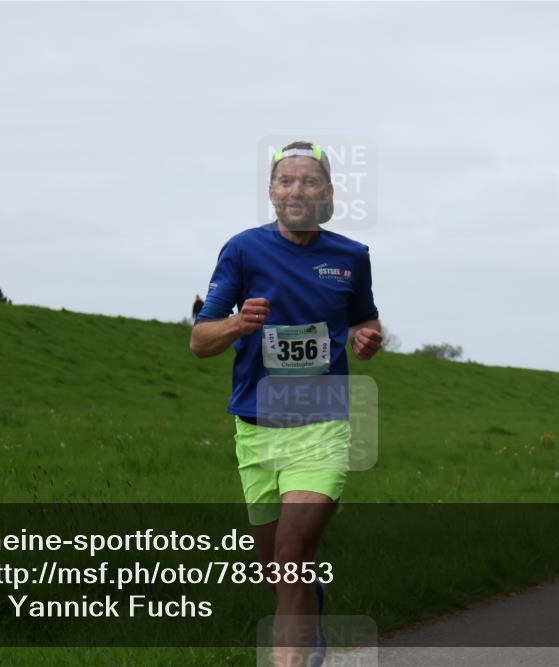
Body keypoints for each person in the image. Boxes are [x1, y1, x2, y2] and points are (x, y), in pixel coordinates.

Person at [190, 141, 383, 666]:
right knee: (277, 569)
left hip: (322, 425)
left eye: (309, 181)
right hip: (256, 426)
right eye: (285, 181)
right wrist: (237, 322)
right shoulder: (242, 250)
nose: (297, 190)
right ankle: (313, 636)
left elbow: (366, 319)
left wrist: (368, 337)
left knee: (292, 557)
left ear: (329, 193)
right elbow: (200, 341)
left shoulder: (351, 257)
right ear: (272, 193)